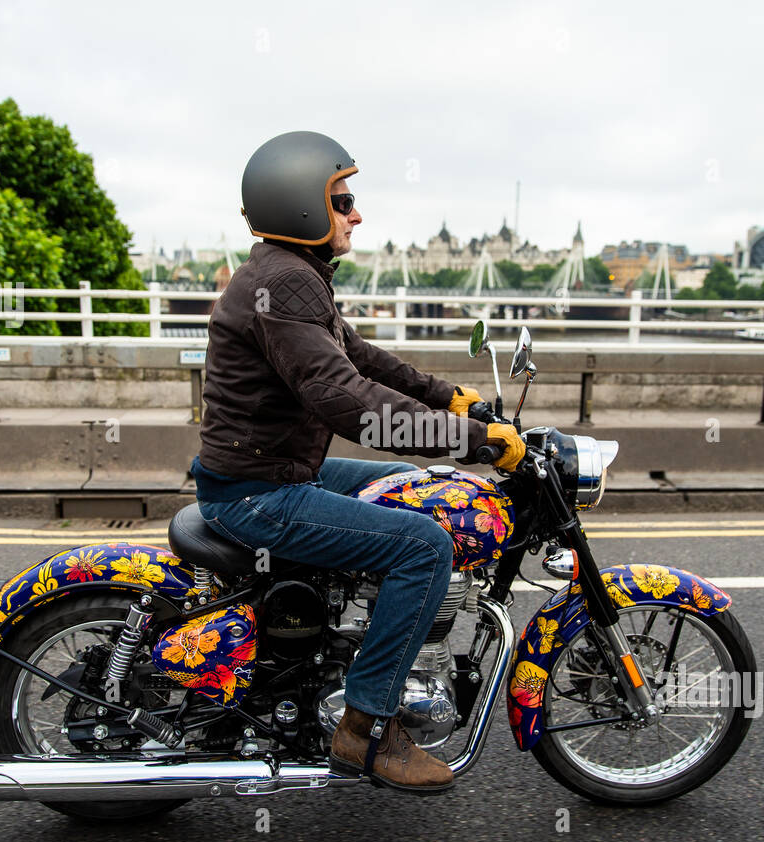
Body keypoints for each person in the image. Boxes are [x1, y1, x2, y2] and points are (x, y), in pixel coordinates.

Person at [192, 131, 525, 792]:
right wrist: (475, 442)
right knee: (425, 547)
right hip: (258, 491)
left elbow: (361, 359)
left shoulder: (288, 272)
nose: (356, 213)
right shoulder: (284, 281)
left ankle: (350, 642)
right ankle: (366, 728)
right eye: (342, 200)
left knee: (419, 486)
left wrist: (450, 399)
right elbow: (346, 400)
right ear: (302, 209)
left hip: (277, 471)